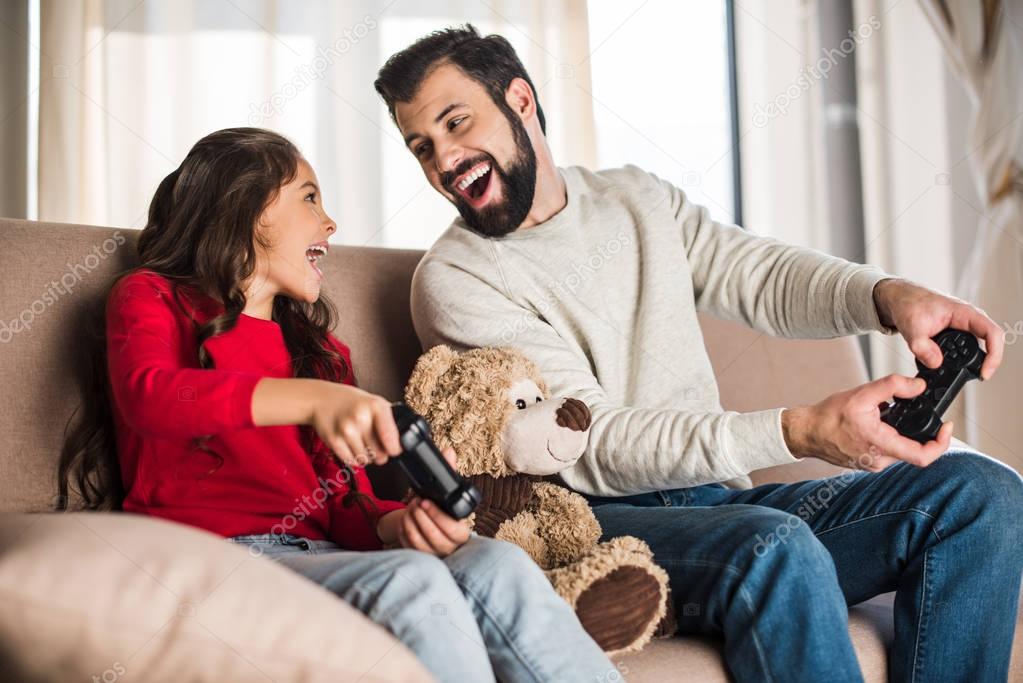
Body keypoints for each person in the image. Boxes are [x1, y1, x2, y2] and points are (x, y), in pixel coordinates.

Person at [375, 25, 1023, 682]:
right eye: (421, 147)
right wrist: (796, 429)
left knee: (983, 492)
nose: (444, 160)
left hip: (719, 501)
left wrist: (889, 297)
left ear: (518, 99)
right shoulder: (455, 280)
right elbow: (590, 440)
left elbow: (759, 276)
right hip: (600, 522)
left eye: (456, 124)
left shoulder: (634, 197)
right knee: (774, 546)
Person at [57, 127, 617, 683]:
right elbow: (152, 397)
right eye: (308, 197)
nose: (330, 223)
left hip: (321, 554)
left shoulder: (319, 353)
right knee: (411, 583)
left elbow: (342, 504)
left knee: (498, 562)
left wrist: (400, 525)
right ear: (246, 206)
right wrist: (314, 400)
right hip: (216, 559)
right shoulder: (151, 296)